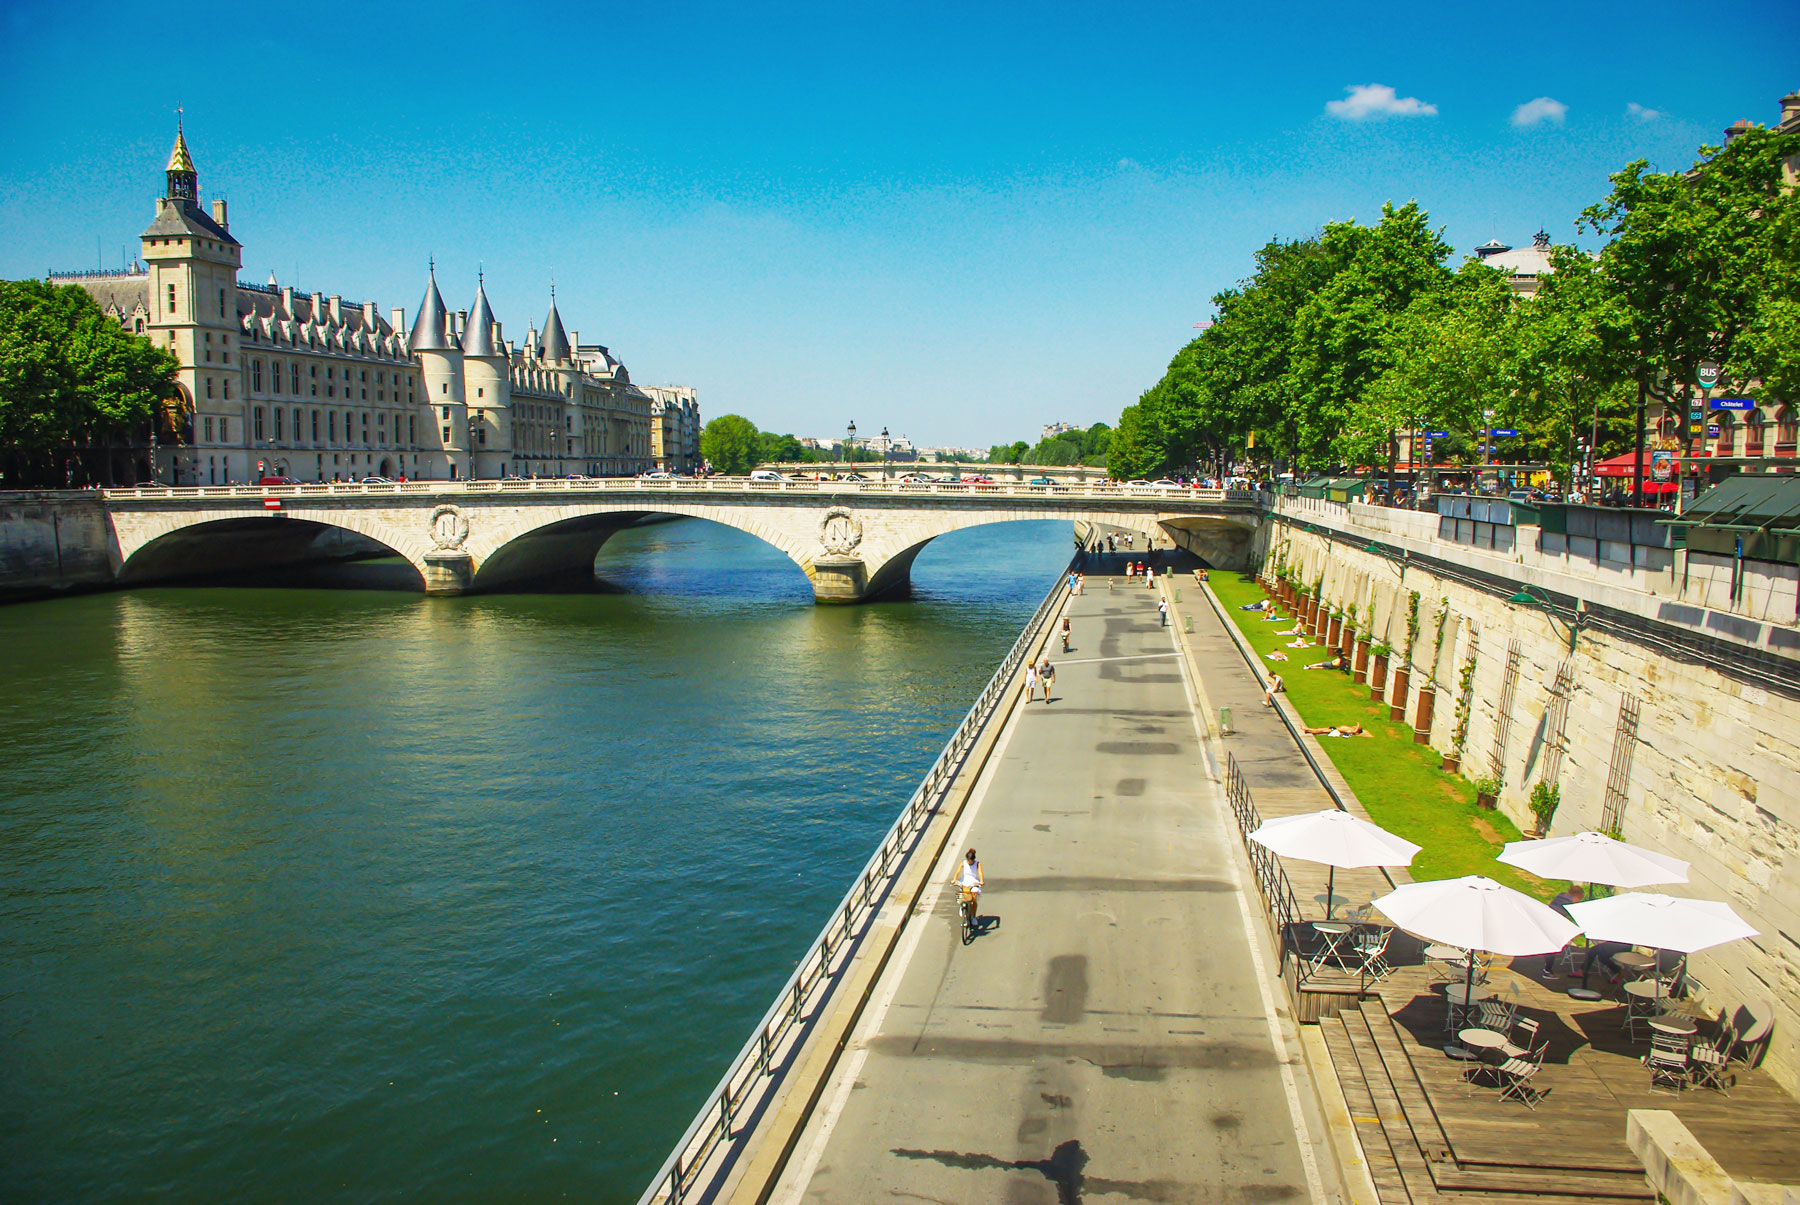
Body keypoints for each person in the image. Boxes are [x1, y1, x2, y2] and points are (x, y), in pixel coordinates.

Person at [1543, 885, 1586, 976]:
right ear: (1577, 896)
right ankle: (1548, 970)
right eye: (1580, 898)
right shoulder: (1570, 902)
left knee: (1551, 945)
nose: (1580, 901)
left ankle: (1547, 966)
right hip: (1554, 923)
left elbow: (1552, 903)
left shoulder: (1561, 895)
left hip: (1547, 919)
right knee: (1553, 947)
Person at [954, 848, 984, 922]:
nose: (969, 862)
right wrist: (954, 879)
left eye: (970, 861)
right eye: (968, 861)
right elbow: (958, 871)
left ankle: (973, 916)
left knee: (974, 899)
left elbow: (980, 873)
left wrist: (981, 881)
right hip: (964, 880)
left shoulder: (977, 863)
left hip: (973, 881)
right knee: (961, 892)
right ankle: (962, 906)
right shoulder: (963, 863)